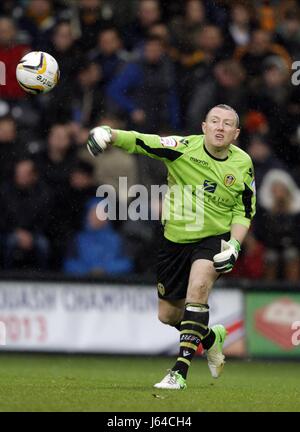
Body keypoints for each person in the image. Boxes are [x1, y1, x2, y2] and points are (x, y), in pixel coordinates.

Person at [86, 104, 256, 390]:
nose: (220, 127)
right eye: (214, 121)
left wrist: (235, 245)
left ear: (236, 133)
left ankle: (179, 372)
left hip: (212, 239)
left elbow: (244, 209)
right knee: (168, 315)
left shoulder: (243, 164)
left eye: (227, 124)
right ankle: (211, 338)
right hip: (174, 240)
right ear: (203, 127)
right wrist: (109, 134)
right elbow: (143, 142)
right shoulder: (182, 148)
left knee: (198, 291)